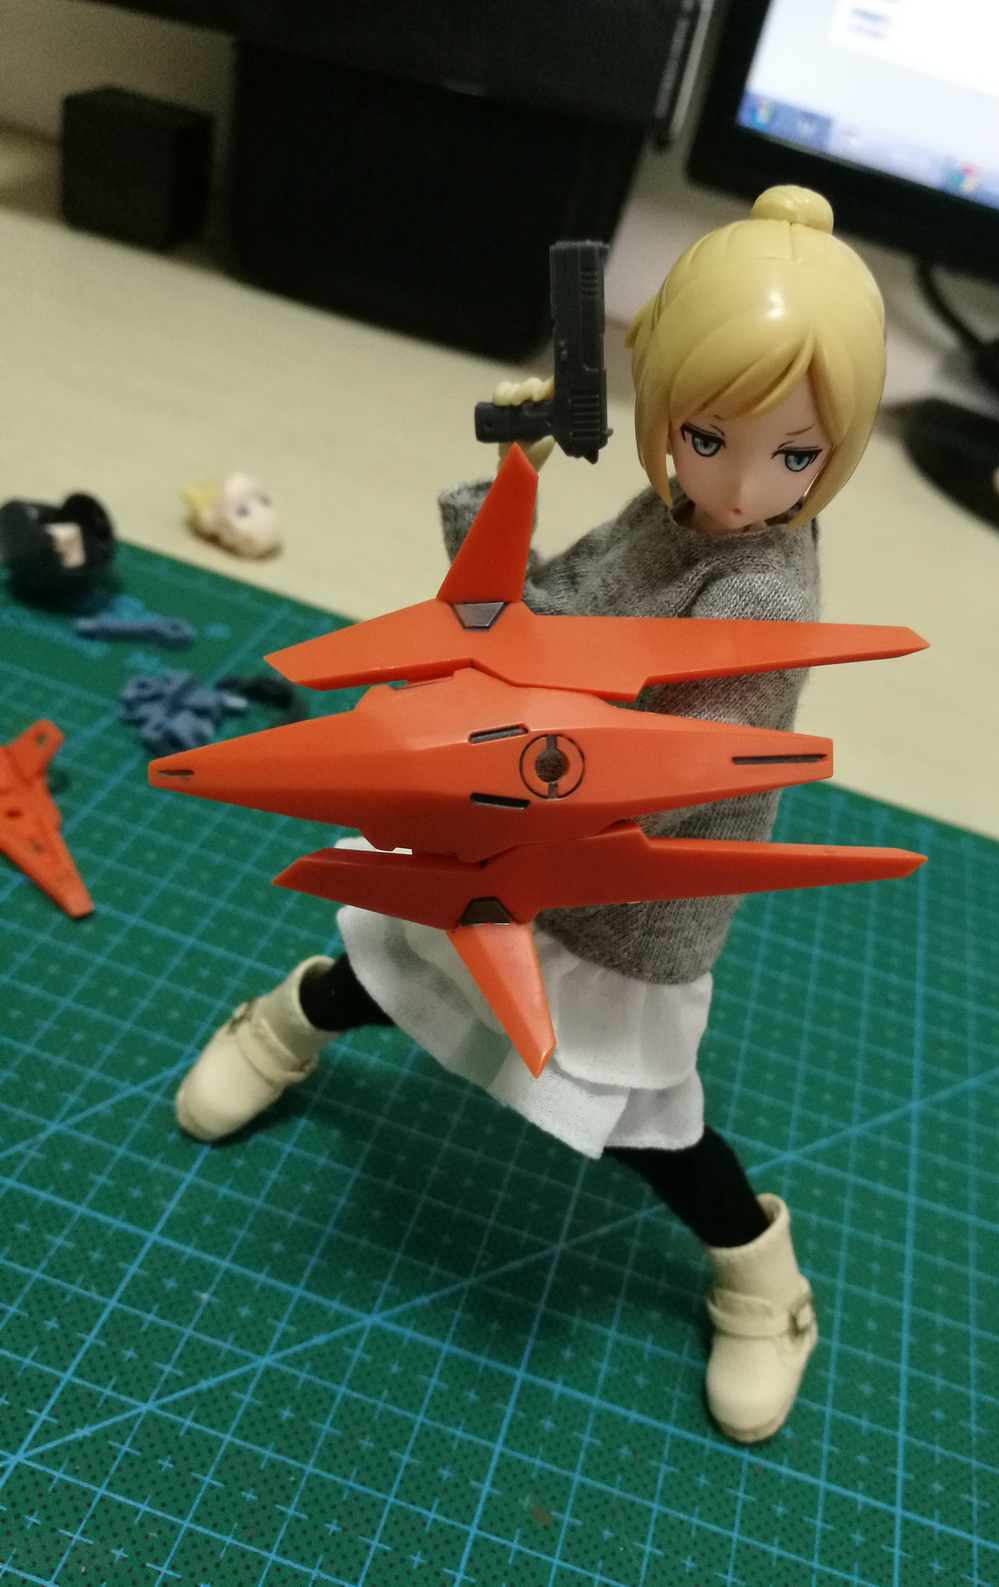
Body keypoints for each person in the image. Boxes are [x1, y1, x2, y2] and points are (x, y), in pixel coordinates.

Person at [173, 185, 887, 1444]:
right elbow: (550, 608)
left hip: (620, 893)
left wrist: (510, 697)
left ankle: (760, 1280)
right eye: (705, 437)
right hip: (511, 826)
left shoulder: (760, 593)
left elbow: (659, 748)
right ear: (660, 412)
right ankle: (287, 1018)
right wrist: (510, 487)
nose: (738, 487)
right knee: (392, 967)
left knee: (645, 1128)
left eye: (794, 455)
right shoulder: (665, 511)